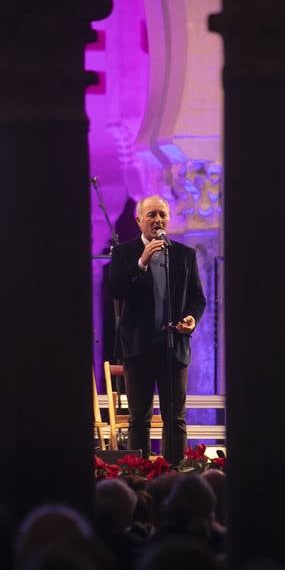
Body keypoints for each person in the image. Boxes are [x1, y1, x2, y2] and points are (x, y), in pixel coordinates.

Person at [107, 194, 206, 464]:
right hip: (137, 347)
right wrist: (141, 262)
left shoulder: (184, 255)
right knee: (139, 418)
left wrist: (191, 318)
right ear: (139, 220)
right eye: (151, 215)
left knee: (175, 418)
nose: (158, 220)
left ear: (169, 219)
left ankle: (175, 474)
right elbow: (115, 289)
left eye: (162, 214)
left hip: (173, 347)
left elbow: (197, 298)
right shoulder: (125, 253)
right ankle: (138, 474)